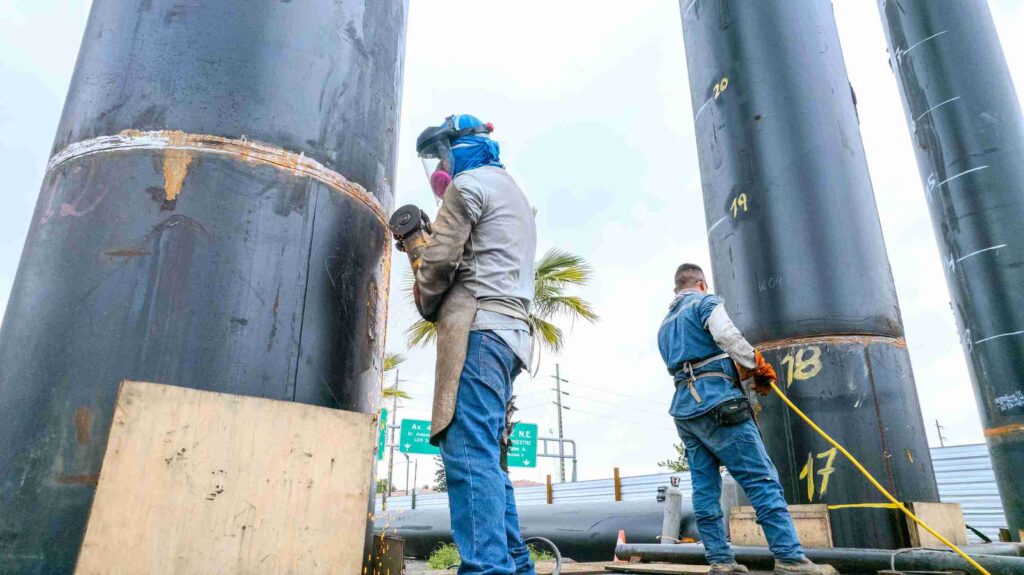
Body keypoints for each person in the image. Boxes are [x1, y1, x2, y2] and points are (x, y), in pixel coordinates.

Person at [408, 114, 537, 575]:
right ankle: (517, 565)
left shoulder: (466, 188)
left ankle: (486, 569)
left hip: (479, 332)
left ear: (456, 149)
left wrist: (416, 253)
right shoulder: (513, 192)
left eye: (440, 157)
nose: (438, 170)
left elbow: (438, 266)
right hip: (511, 338)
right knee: (485, 459)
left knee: (466, 457)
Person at [657, 264, 837, 575]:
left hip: (685, 410)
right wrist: (756, 365)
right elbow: (727, 335)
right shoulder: (705, 302)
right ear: (701, 283)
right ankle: (790, 558)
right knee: (760, 478)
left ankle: (721, 561)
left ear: (677, 288)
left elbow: (693, 361)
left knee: (705, 489)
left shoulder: (664, 326)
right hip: (719, 404)